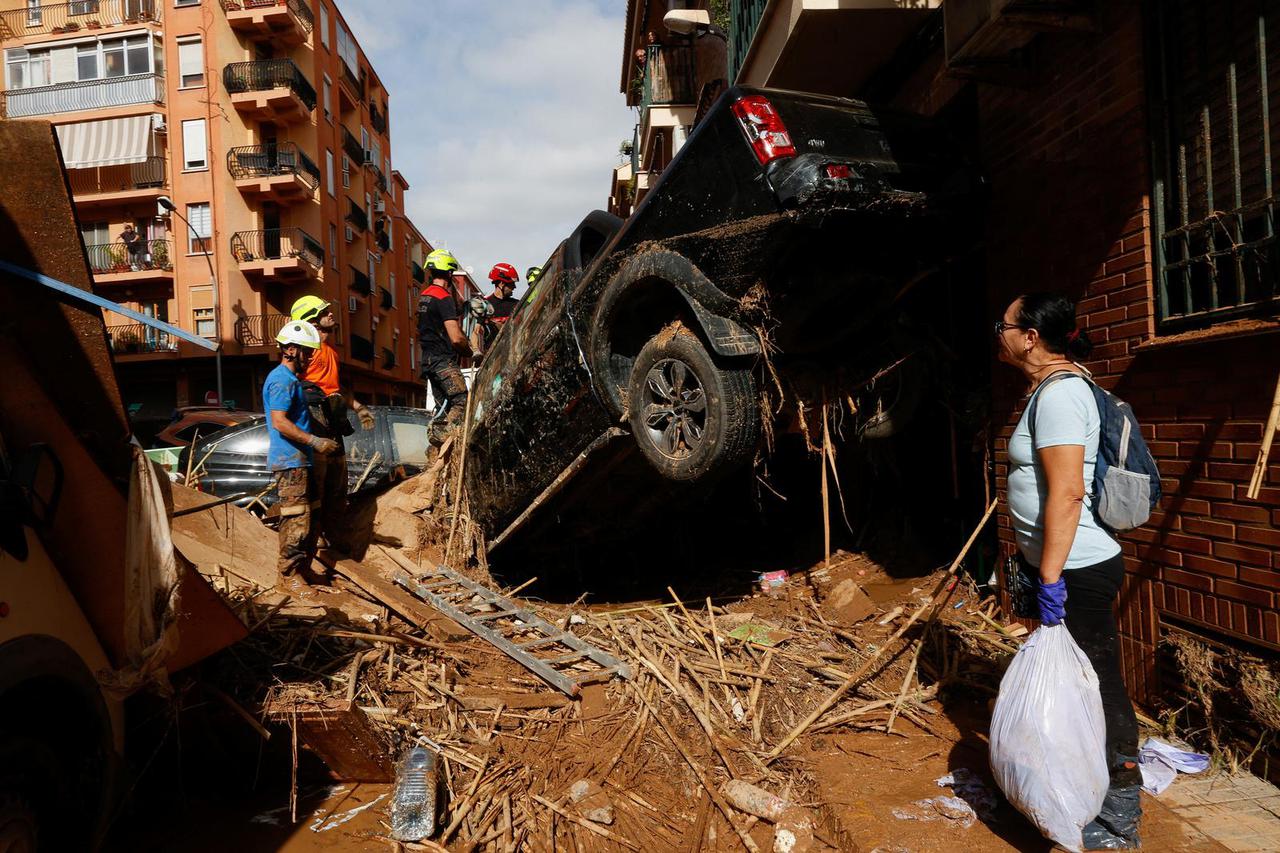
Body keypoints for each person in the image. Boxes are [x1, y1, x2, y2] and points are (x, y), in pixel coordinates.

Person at [997, 292, 1141, 849]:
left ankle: (1118, 822)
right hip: (1060, 567)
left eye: (1004, 326)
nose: (999, 334)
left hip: (1076, 570)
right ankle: (1072, 793)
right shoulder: (1049, 390)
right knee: (1077, 690)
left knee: (1101, 691)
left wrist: (1050, 579)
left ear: (1030, 336)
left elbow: (1068, 493)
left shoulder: (1060, 397)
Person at [289, 295, 375, 559]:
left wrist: (359, 408)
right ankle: (312, 544)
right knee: (318, 487)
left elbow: (336, 390)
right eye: (325, 312)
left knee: (337, 487)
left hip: (333, 421)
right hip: (315, 421)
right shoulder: (306, 353)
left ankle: (333, 540)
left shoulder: (331, 353)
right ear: (312, 320)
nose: (331, 315)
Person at [264, 320, 340, 599]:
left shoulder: (293, 381)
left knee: (311, 517)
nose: (310, 358)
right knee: (296, 520)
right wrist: (315, 441)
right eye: (307, 352)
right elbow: (280, 422)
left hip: (301, 460)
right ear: (290, 350)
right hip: (290, 461)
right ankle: (288, 576)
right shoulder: (281, 380)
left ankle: (303, 569)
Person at [418, 249, 472, 442]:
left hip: (428, 361)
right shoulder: (443, 297)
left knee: (444, 410)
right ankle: (443, 439)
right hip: (443, 361)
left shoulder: (425, 296)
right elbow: (456, 338)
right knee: (462, 402)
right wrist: (470, 351)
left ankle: (436, 451)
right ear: (449, 273)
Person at [484, 263, 519, 348]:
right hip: (491, 356)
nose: (514, 287)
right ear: (501, 284)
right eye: (511, 284)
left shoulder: (517, 304)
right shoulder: (484, 305)